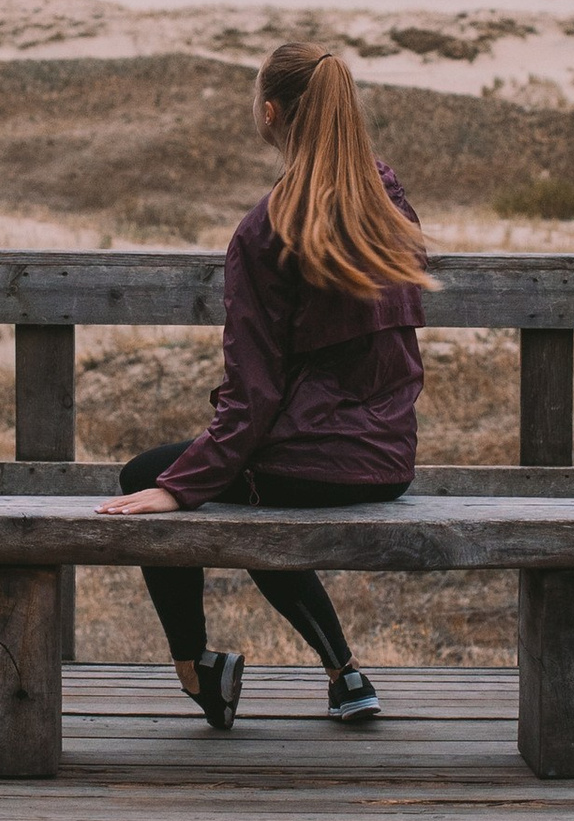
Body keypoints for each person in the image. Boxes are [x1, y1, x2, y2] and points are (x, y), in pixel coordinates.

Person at [99, 41, 428, 728]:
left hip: (310, 456)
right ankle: (345, 675)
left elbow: (254, 397)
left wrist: (181, 483)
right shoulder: (390, 200)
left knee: (150, 473)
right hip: (389, 459)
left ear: (271, 113)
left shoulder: (265, 229)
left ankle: (196, 672)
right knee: (243, 478)